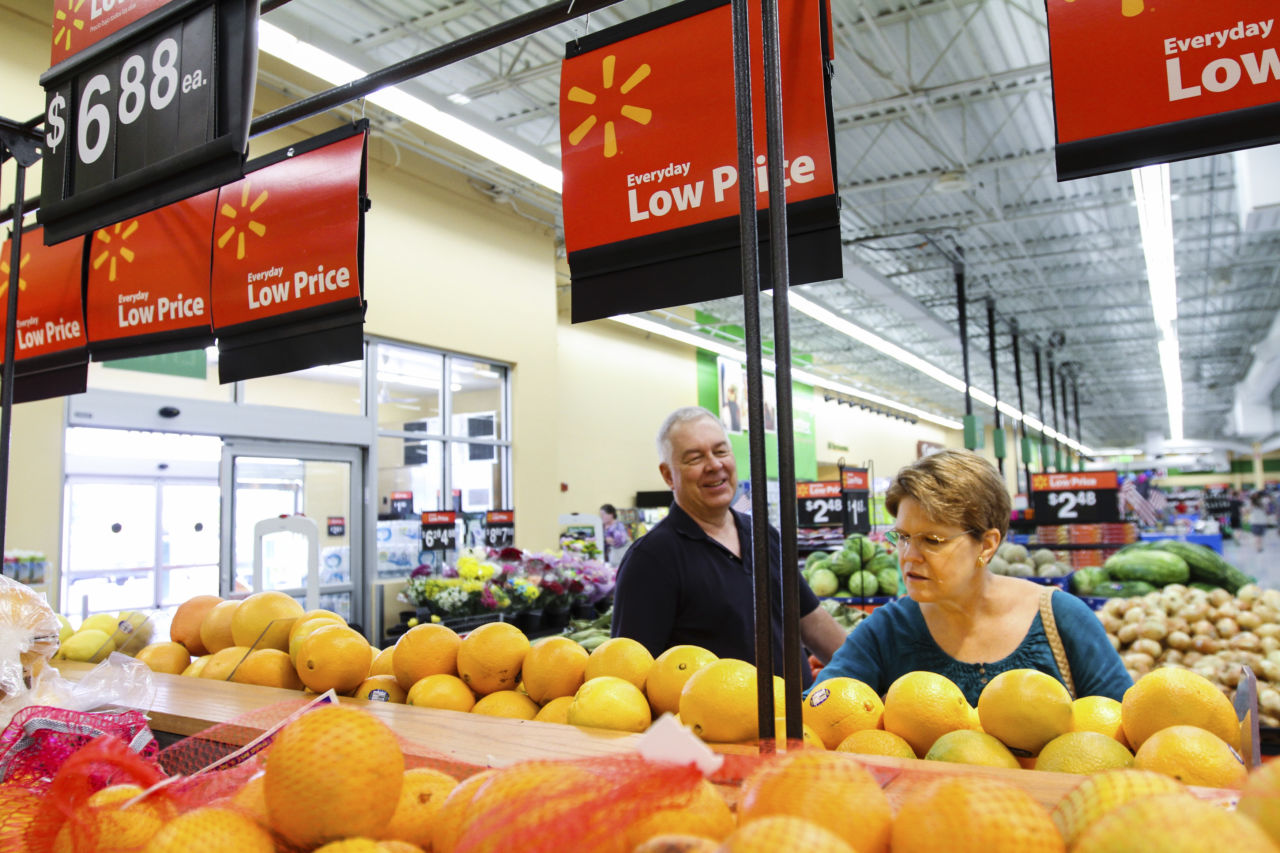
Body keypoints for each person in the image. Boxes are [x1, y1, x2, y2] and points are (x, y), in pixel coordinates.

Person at [814, 449, 1132, 706]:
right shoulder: (887, 630)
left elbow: (1124, 732)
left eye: (932, 540)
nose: (909, 555)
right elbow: (819, 711)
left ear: (987, 544)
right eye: (903, 537)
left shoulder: (1061, 619)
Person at [611, 406, 847, 686]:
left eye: (721, 451)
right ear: (667, 475)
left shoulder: (763, 536)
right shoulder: (651, 560)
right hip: (713, 726)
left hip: (797, 721)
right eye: (695, 457)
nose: (714, 465)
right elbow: (628, 678)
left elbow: (813, 623)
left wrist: (872, 675)